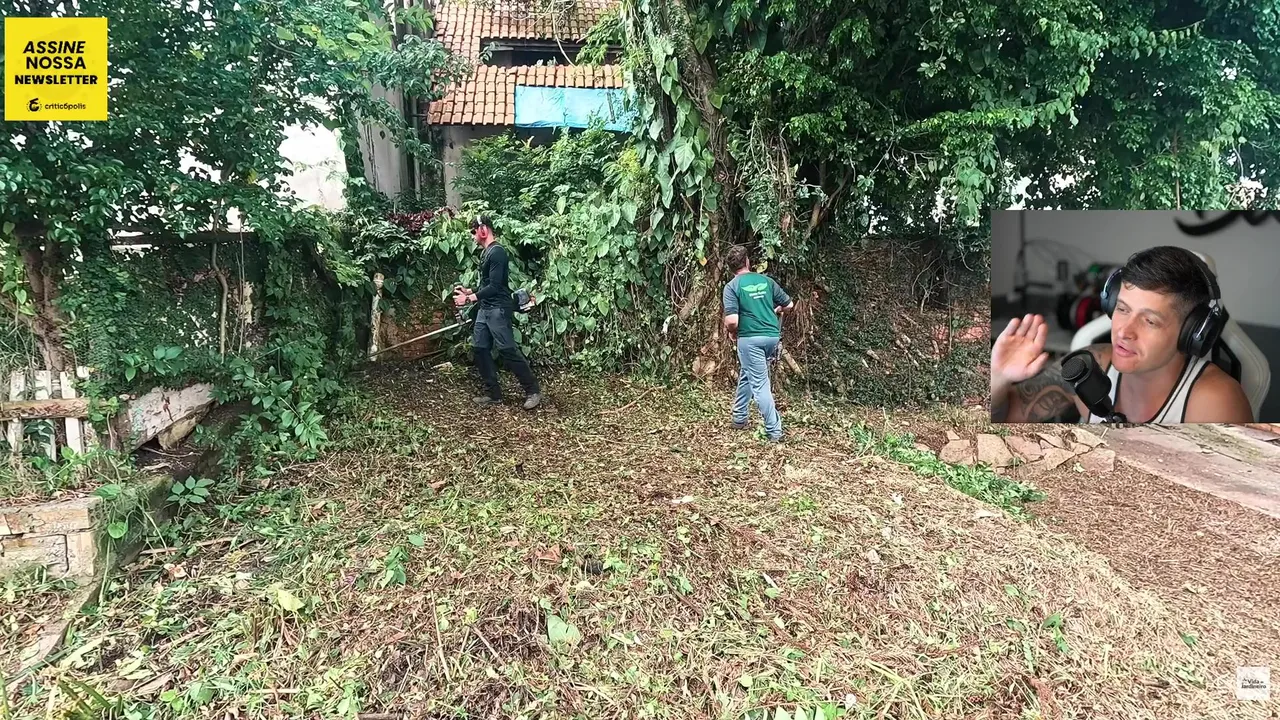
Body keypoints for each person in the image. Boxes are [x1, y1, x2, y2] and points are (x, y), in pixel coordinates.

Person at [990, 245, 1254, 424]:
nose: (1124, 331)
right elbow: (1004, 417)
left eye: (1150, 321)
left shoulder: (1215, 401)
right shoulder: (1088, 366)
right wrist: (998, 377)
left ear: (1193, 333)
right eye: (1122, 309)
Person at [453, 215, 542, 410]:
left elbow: (494, 287)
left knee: (507, 350)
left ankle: (533, 391)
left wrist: (468, 299)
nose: (473, 236)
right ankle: (493, 394)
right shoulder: (486, 253)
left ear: (483, 230)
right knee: (479, 348)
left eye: (474, 232)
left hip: (498, 309)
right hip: (485, 309)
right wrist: (469, 291)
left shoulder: (498, 253)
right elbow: (485, 284)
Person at [722, 245, 795, 441]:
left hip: (750, 338)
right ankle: (739, 417)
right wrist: (777, 309)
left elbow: (732, 321)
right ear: (747, 262)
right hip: (771, 336)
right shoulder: (766, 281)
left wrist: (732, 333)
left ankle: (774, 431)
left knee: (760, 384)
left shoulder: (732, 287)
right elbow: (789, 305)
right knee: (749, 372)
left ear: (730, 268)